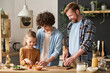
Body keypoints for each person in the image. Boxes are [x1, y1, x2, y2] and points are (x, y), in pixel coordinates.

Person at [63, 2, 96, 67]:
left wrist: (73, 57)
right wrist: (66, 50)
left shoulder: (88, 23)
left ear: (77, 11)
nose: (69, 18)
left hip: (83, 61)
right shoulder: (70, 25)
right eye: (68, 16)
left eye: (71, 15)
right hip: (70, 60)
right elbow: (68, 42)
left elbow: (86, 44)